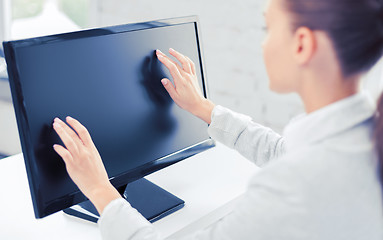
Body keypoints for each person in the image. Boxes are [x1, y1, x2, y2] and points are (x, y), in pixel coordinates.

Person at [52, 0, 383, 239]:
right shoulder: (360, 137)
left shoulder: (296, 187)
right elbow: (285, 153)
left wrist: (98, 188)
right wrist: (203, 108)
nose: (264, 42)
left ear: (301, 44)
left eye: (268, 28)